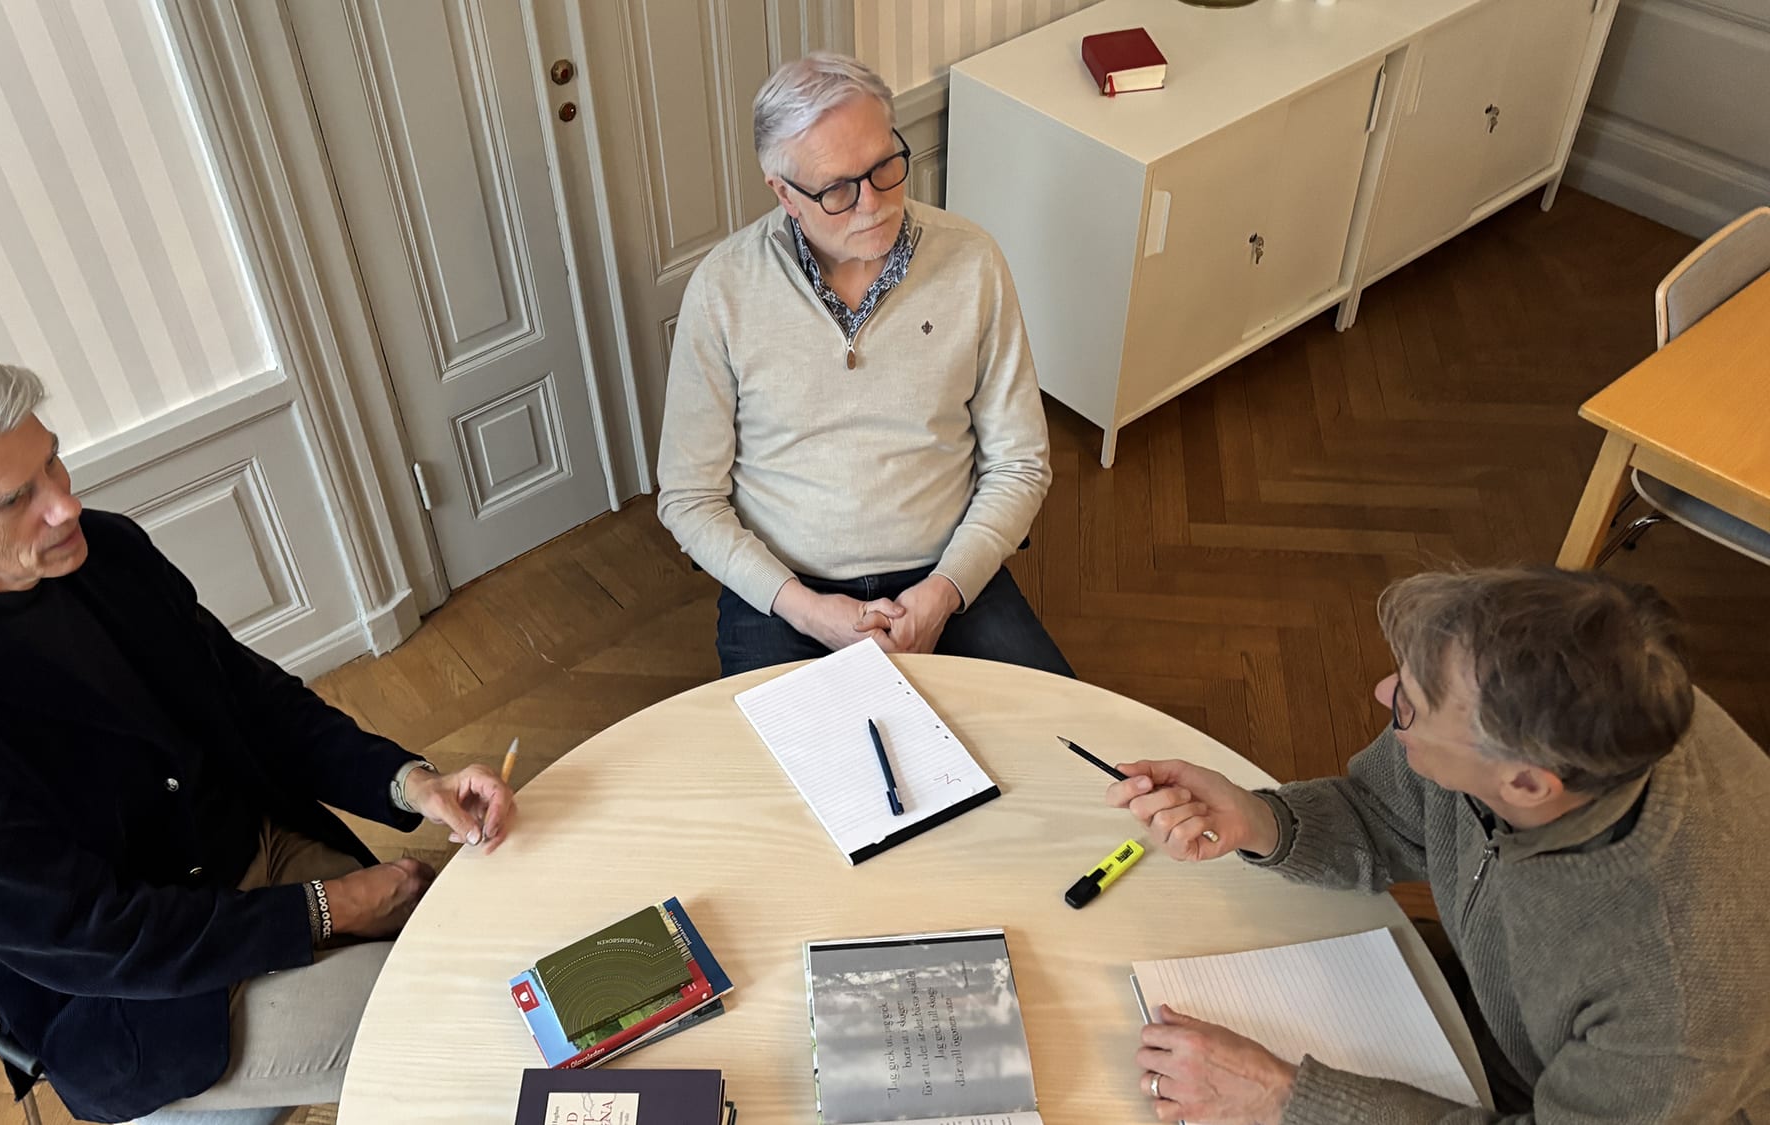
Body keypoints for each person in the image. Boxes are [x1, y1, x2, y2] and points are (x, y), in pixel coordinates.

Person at [0, 354, 517, 1123]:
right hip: (149, 997)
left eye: (52, 459)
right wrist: (331, 906)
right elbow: (92, 935)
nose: (66, 503)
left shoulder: (106, 551)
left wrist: (411, 783)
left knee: (500, 942)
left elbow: (252, 700)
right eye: (15, 499)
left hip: (256, 853)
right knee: (454, 1029)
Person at [1107, 566, 1770, 1124]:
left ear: (1524, 784)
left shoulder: (1678, 999)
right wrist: (1262, 819)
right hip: (1490, 1012)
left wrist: (1283, 1099)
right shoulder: (1573, 698)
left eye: (1410, 706)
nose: (1383, 693)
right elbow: (1384, 814)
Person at [656, 52, 1071, 679]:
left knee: (1059, 731)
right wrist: (808, 611)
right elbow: (689, 498)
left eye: (884, 167)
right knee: (790, 749)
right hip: (787, 592)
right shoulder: (723, 290)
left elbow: (1020, 462)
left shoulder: (973, 262)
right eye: (837, 190)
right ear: (784, 192)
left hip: (946, 572)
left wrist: (944, 592)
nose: (873, 204)